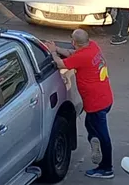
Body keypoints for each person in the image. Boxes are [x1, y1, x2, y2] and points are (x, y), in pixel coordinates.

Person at [46, 29, 115, 179]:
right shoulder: (93, 47)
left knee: (104, 135)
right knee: (90, 124)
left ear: (74, 42)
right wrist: (57, 48)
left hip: (96, 103)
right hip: (105, 98)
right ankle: (93, 139)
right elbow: (73, 54)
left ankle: (106, 167)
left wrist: (52, 52)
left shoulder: (82, 56)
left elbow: (60, 64)